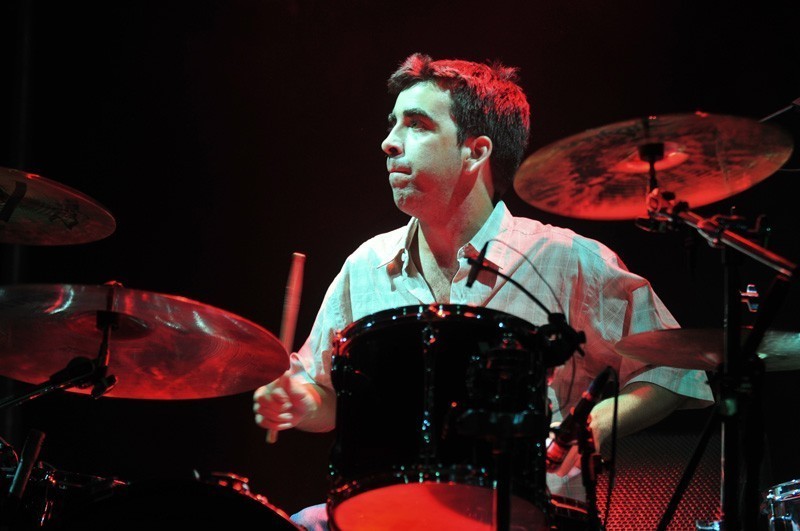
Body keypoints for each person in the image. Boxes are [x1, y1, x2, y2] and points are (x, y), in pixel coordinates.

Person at [253, 53, 714, 529]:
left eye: (416, 125)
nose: (388, 142)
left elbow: (675, 369)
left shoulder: (568, 260)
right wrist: (299, 401)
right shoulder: (365, 266)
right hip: (392, 514)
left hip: (530, 517)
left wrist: (589, 428)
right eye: (393, 124)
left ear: (475, 152)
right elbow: (326, 395)